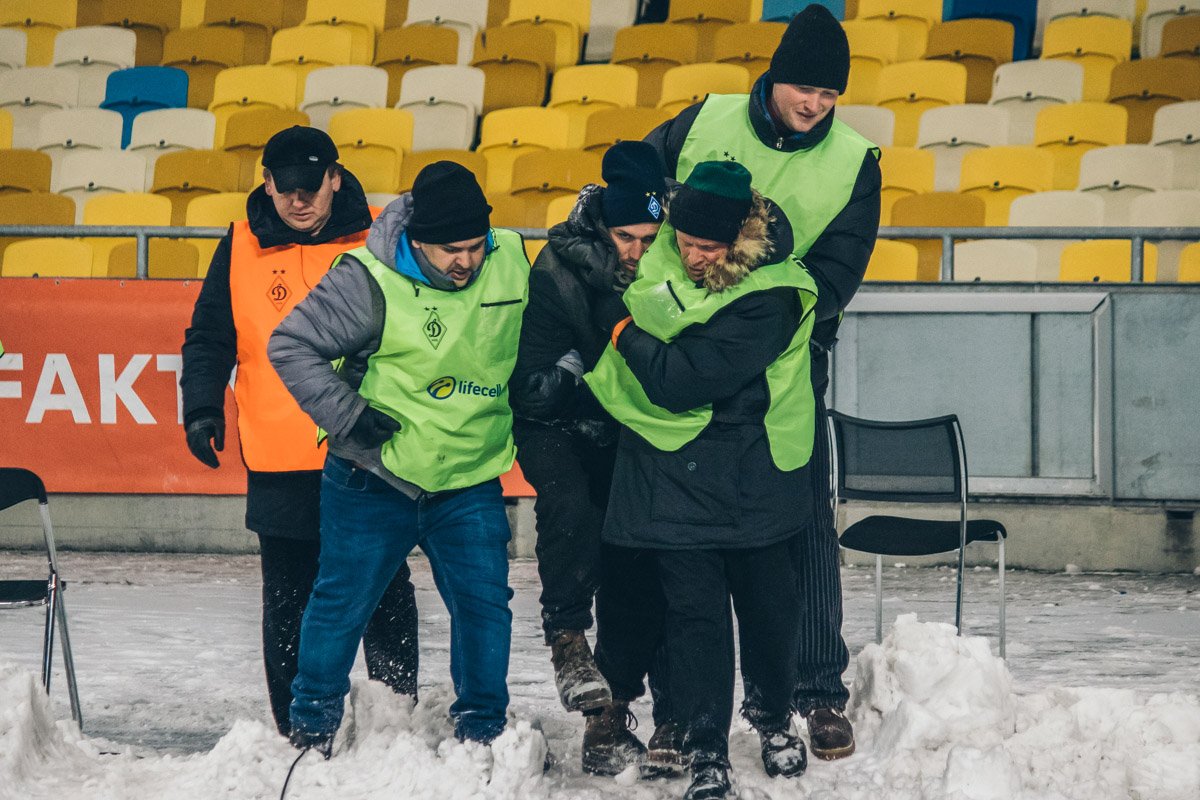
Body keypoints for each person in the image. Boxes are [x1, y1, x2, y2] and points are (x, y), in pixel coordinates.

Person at [644, 2, 882, 760]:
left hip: (784, 359)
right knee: (672, 528)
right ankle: (679, 707)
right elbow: (637, 198)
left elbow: (836, 275)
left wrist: (749, 311)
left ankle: (816, 693)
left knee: (803, 523)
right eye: (804, 88)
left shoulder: (854, 161)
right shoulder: (704, 119)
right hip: (679, 343)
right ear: (775, 75)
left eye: (830, 95)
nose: (815, 104)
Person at [267, 162, 529, 753]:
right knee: (339, 602)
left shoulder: (511, 257)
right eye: (448, 251)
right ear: (415, 241)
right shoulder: (367, 278)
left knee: (485, 604)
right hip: (373, 477)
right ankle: (311, 727)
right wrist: (349, 416)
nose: (465, 262)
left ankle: (483, 731)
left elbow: (549, 325)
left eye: (474, 247)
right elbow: (290, 345)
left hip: (469, 476)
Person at [584, 161, 818, 800]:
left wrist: (622, 328)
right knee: (695, 620)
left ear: (738, 237)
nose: (689, 257)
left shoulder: (775, 292)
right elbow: (652, 312)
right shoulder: (667, 252)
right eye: (683, 243)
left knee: (769, 611)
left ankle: (773, 719)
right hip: (676, 475)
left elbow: (682, 380)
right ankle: (706, 744)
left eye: (706, 248)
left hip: (757, 474)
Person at [180, 125, 419, 738]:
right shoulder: (238, 244)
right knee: (288, 599)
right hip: (279, 452)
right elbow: (210, 336)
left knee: (383, 586)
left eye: (311, 187)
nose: (299, 200)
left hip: (368, 450)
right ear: (267, 184)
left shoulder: (379, 238)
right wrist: (201, 406)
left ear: (335, 179)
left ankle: (395, 718)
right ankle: (296, 729)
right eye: (286, 189)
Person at [508, 141, 668, 771]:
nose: (639, 252)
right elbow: (537, 386)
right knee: (571, 507)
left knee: (635, 558)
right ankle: (568, 638)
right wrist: (596, 368)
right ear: (603, 226)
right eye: (628, 237)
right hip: (557, 420)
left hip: (630, 424)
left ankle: (612, 713)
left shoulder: (675, 262)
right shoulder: (556, 268)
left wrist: (598, 364)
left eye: (652, 238)